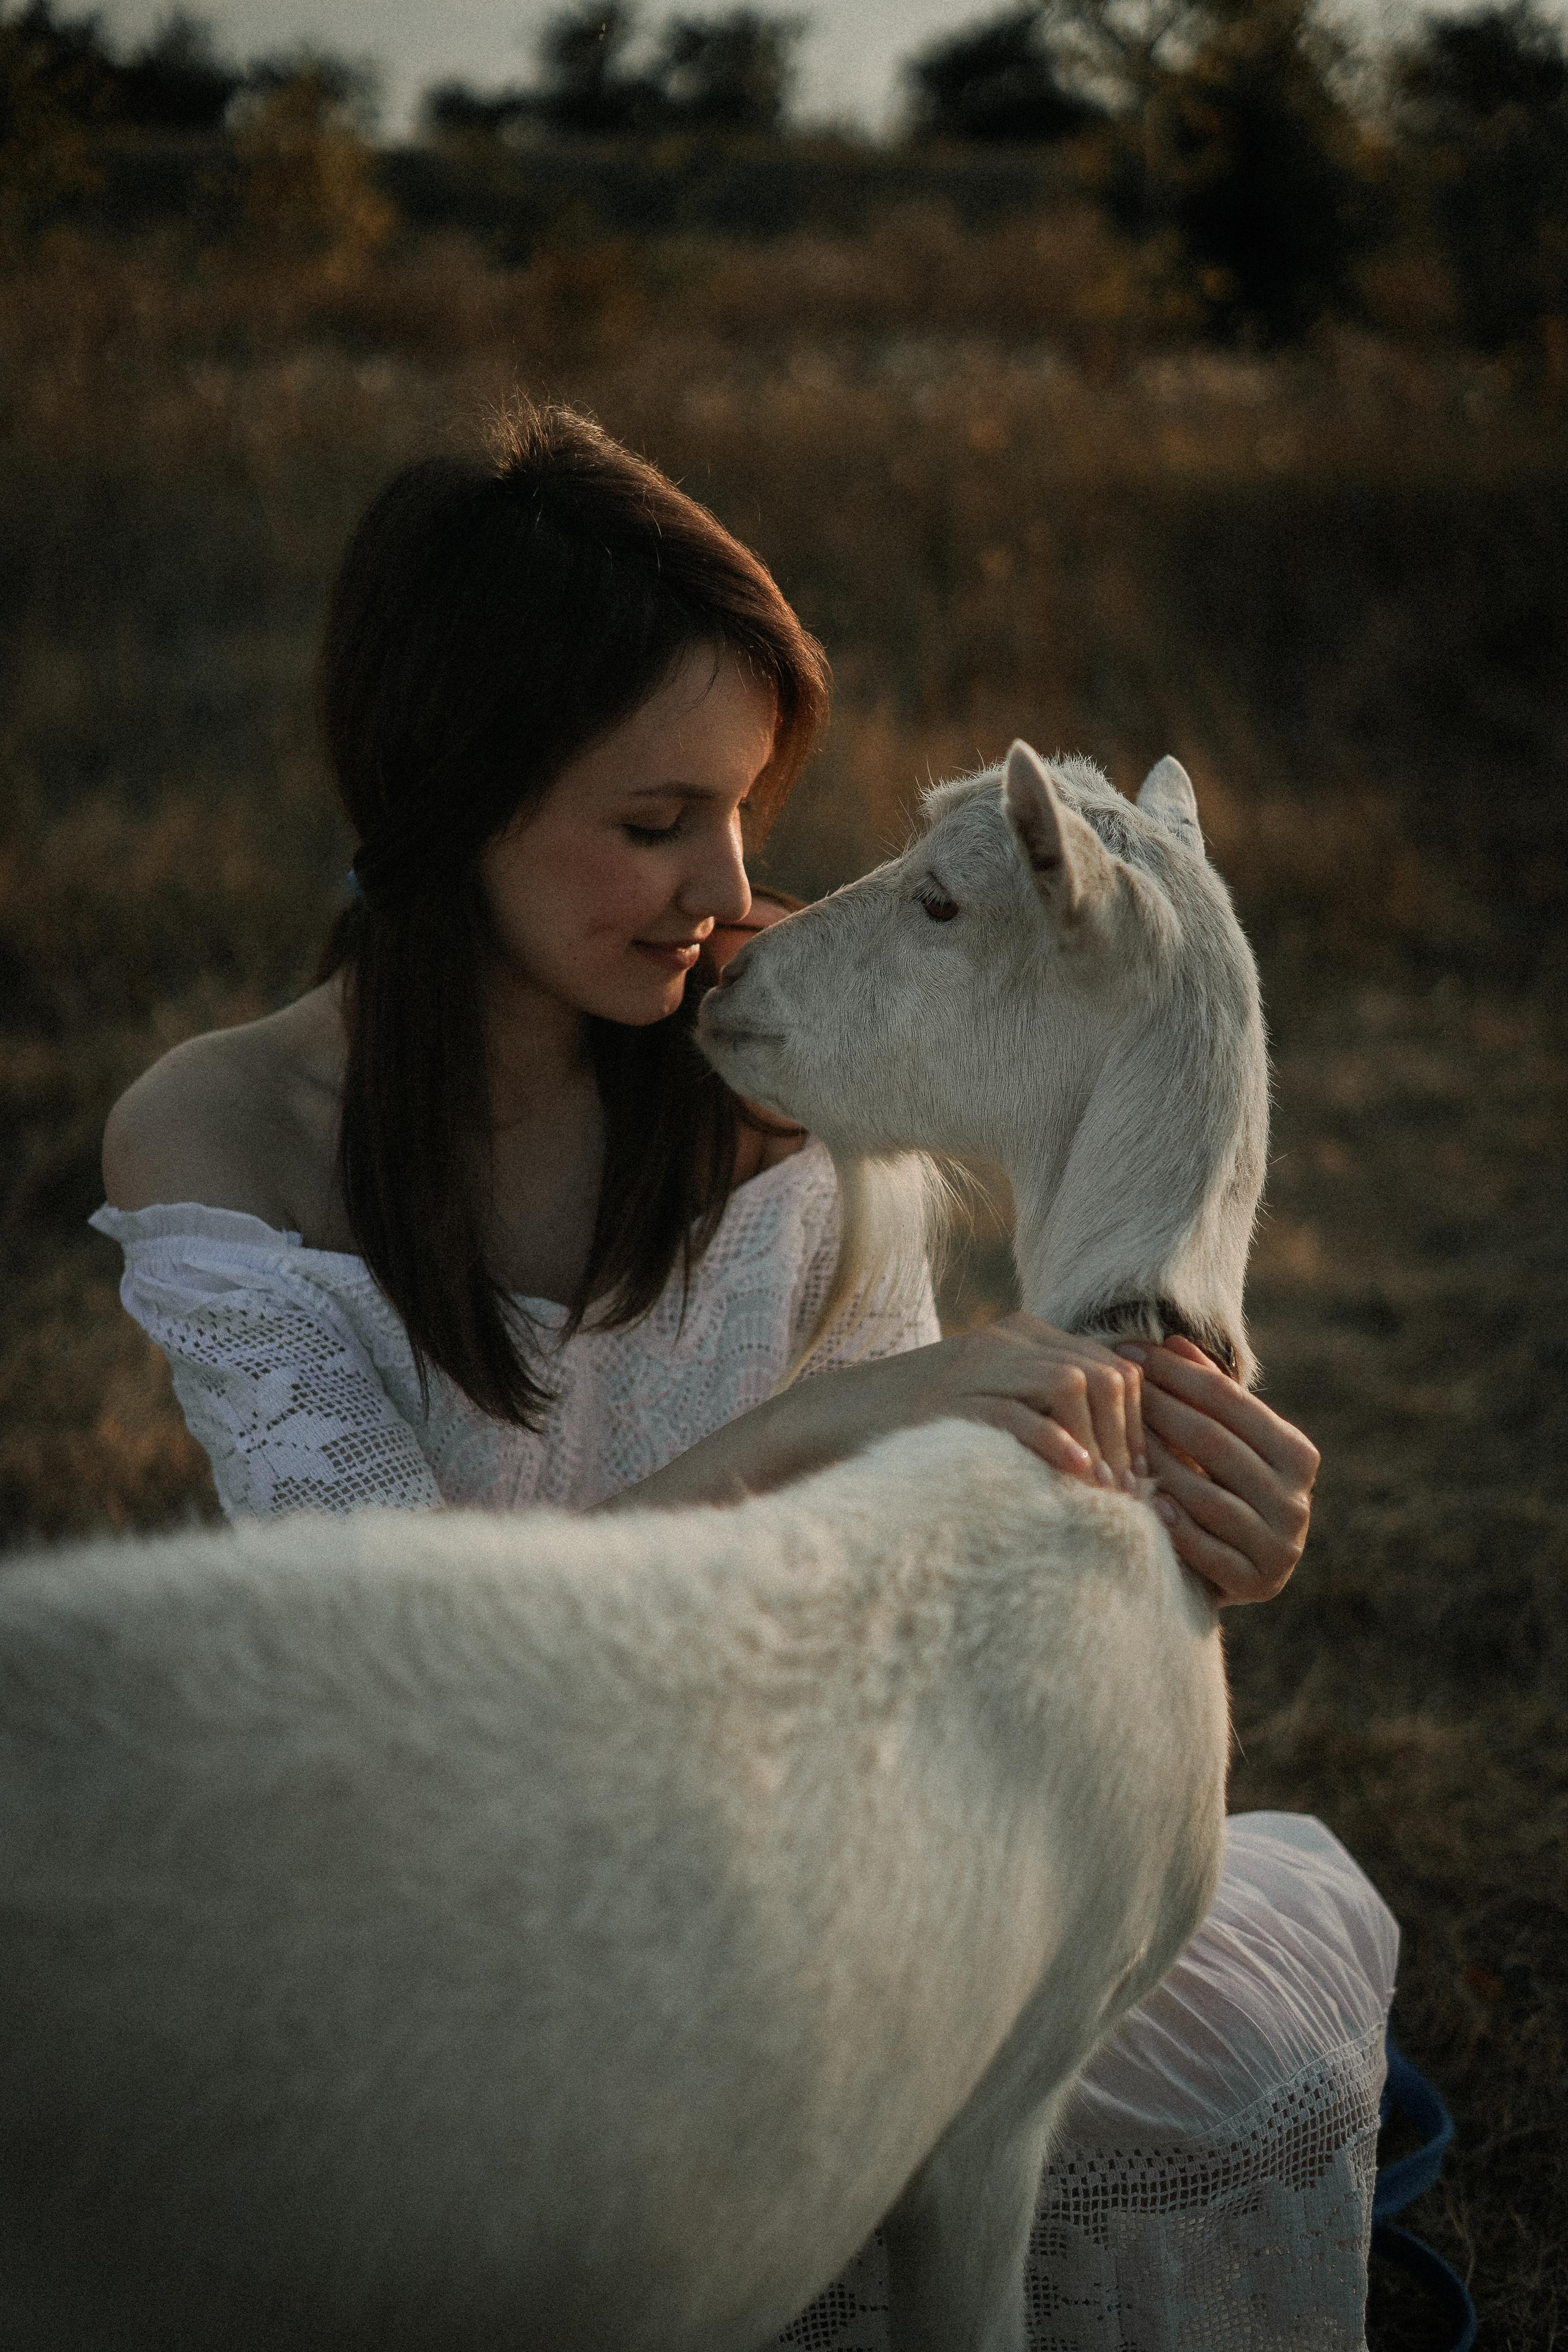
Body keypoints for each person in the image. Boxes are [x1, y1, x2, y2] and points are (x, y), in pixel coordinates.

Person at [94, 402, 1396, 2349]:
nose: (726, 886)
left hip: (797, 1900)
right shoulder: (222, 1137)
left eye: (742, 807)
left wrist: (1194, 1515)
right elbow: (408, 1690)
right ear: (455, 797)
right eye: (650, 823)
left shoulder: (808, 1073)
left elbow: (928, 1601)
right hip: (431, 1938)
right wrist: (823, 1422)